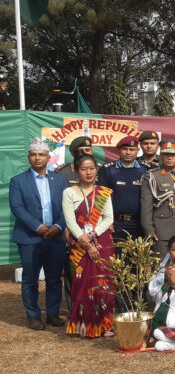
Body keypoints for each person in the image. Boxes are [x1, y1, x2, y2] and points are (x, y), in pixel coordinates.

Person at [10, 138, 68, 330]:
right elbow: (17, 208)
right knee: (30, 279)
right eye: (33, 154)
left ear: (48, 158)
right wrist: (38, 227)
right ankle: (33, 316)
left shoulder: (59, 180)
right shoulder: (18, 181)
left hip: (56, 237)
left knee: (54, 279)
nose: (37, 158)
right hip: (30, 238)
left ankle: (52, 314)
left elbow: (68, 207)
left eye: (41, 154)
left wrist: (58, 226)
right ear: (28, 157)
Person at [62, 154, 116, 337]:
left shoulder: (103, 192)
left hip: (102, 242)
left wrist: (92, 235)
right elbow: (70, 221)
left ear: (96, 170)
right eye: (84, 169)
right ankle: (85, 325)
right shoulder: (69, 193)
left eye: (92, 168)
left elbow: (108, 218)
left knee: (105, 283)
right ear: (76, 170)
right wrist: (85, 241)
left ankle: (106, 325)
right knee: (83, 283)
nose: (88, 172)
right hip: (79, 245)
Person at [140, 139, 175, 258]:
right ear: (161, 156)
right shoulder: (152, 176)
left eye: (173, 155)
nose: (170, 158)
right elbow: (146, 208)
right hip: (162, 233)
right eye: (166, 154)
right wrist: (150, 231)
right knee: (162, 267)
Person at [97, 136, 146, 244]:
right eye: (125, 149)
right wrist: (106, 222)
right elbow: (101, 198)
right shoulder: (107, 170)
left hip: (139, 225)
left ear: (138, 151)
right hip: (115, 224)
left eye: (132, 149)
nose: (128, 152)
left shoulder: (145, 170)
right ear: (118, 150)